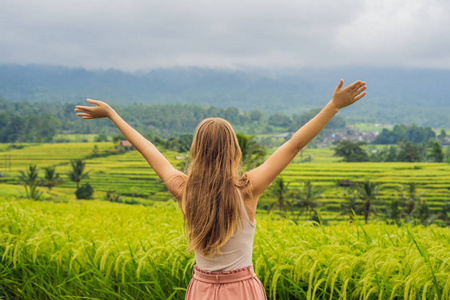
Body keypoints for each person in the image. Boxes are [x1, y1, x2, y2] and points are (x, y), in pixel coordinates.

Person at [74, 79, 366, 299]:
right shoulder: (248, 189)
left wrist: (112, 114)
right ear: (234, 150)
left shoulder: (184, 189)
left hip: (200, 288)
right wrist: (334, 106)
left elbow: (147, 148)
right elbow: (293, 146)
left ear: (196, 150)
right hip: (242, 290)